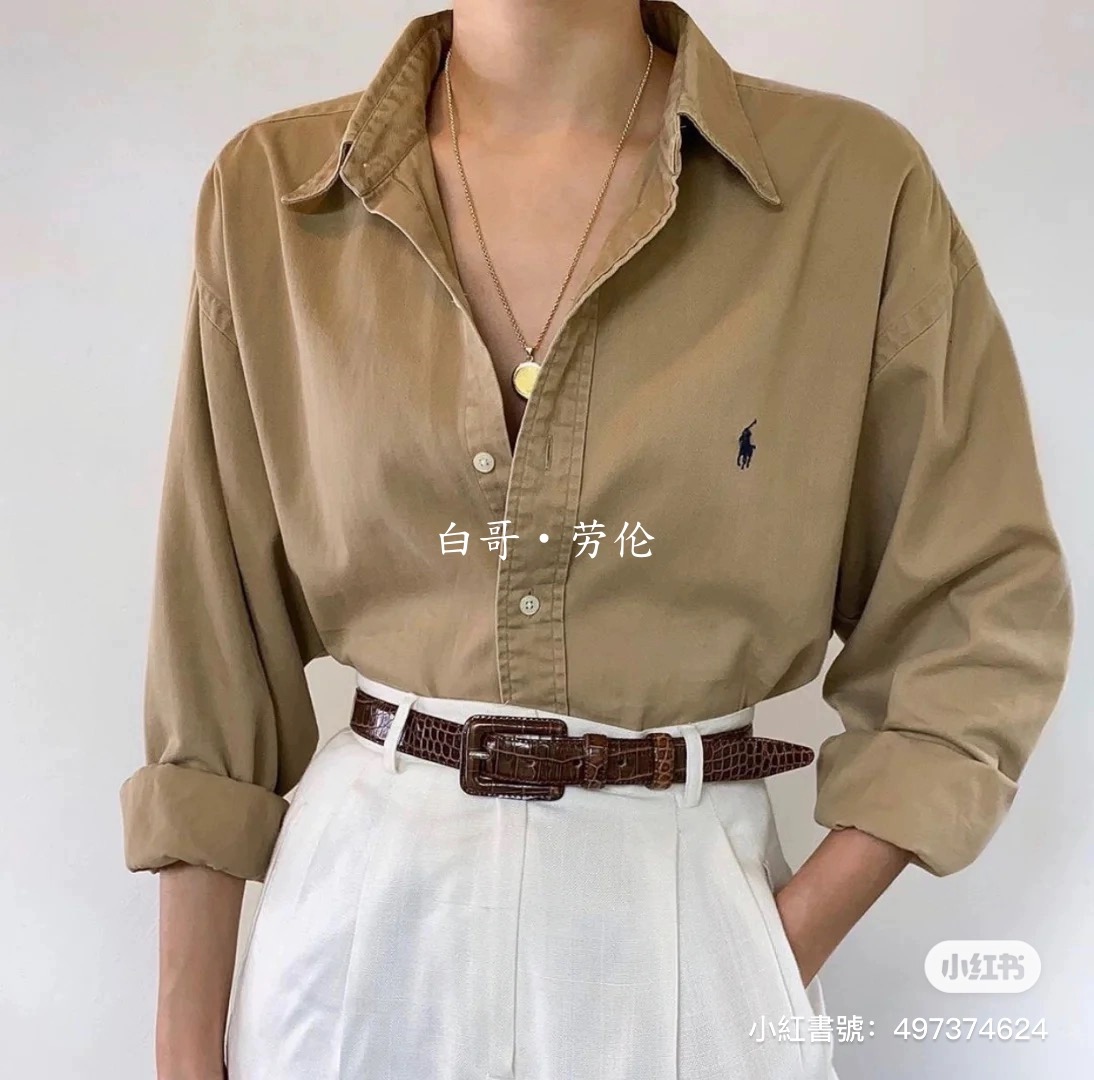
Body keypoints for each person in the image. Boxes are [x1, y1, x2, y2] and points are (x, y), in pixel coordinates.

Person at [118, 2, 1074, 1078]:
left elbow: (978, 607)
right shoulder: (271, 196)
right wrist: (183, 1048)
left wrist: (770, 951)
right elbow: (211, 644)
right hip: (357, 938)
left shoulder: (851, 189)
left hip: (687, 916)